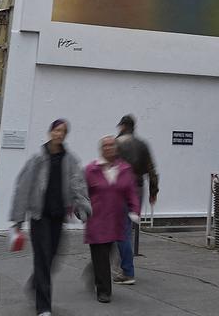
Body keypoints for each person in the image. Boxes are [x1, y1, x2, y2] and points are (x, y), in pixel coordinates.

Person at [10, 119, 91, 316]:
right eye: (56, 130)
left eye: (63, 131)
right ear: (50, 132)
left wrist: (83, 208)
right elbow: (23, 188)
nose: (59, 134)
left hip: (58, 217)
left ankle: (35, 283)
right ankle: (44, 307)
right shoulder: (38, 158)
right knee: (43, 259)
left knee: (54, 257)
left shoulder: (70, 160)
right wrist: (18, 220)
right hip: (40, 217)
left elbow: (78, 185)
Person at [84, 137, 140, 302]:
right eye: (105, 145)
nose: (108, 148)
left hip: (116, 219)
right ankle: (104, 291)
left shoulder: (125, 169)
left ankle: (94, 272)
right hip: (96, 219)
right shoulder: (91, 169)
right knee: (100, 252)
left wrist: (134, 210)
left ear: (116, 149)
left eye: (111, 145)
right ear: (101, 149)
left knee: (108, 252)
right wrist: (77, 209)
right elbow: (81, 192)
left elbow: (131, 192)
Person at [115, 113, 159, 282]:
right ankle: (123, 266)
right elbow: (152, 170)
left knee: (120, 230)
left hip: (120, 190)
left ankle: (126, 270)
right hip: (138, 189)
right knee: (127, 229)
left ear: (122, 126)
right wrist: (154, 192)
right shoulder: (143, 145)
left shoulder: (117, 143)